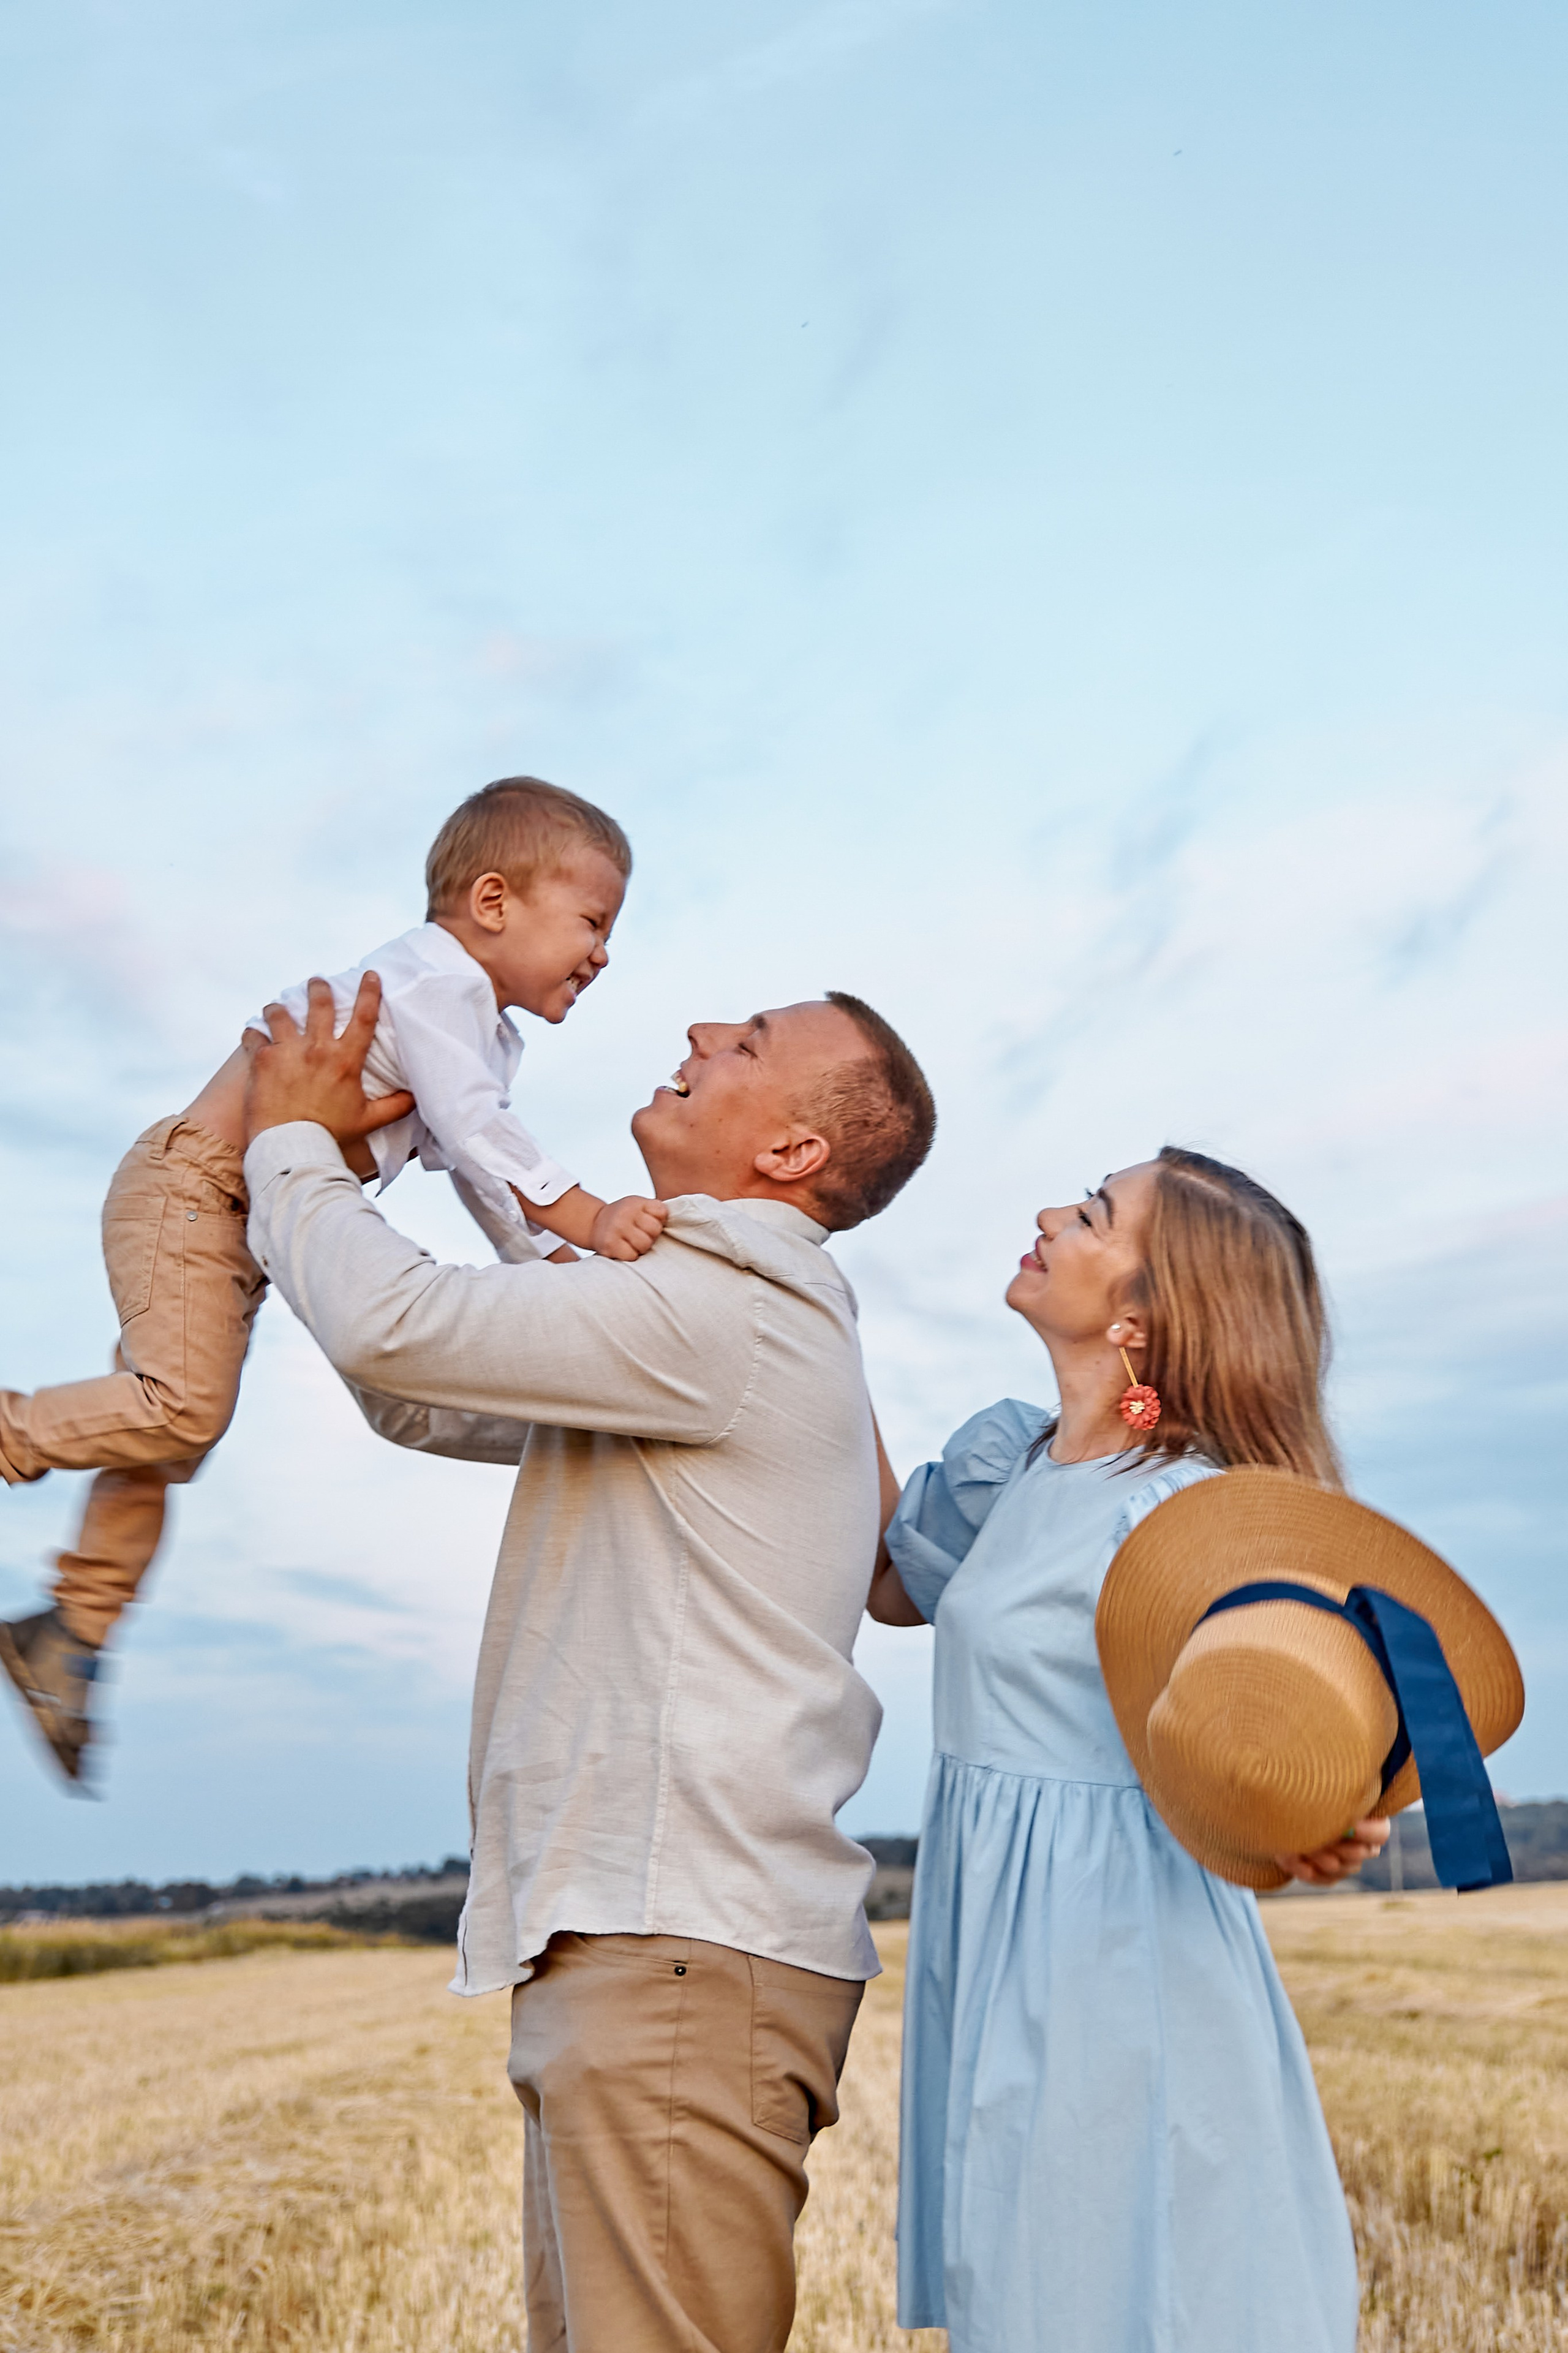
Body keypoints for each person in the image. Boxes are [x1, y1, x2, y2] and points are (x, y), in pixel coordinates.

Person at [239, 967, 935, 2353]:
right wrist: (414, 1156)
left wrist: (293, 1144)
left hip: (679, 1952)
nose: (698, 1032)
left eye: (745, 1042)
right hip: (653, 1951)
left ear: (792, 1150)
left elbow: (394, 1324)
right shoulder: (702, 1312)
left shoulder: (725, 1310)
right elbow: (417, 1389)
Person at [1, 777, 663, 1783]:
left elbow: (481, 1174)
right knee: (181, 1407)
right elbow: (482, 1134)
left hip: (241, 1219)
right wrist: (591, 1215)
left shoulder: (487, 1032)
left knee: (168, 1437)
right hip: (198, 1187)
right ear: (493, 902)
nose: (604, 952)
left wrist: (557, 1272)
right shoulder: (433, 982)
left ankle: (72, 1628)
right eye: (593, 921)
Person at [866, 1147, 1389, 2353]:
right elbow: (888, 1581)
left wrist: (1320, 1819)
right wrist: (812, 1330)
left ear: (1145, 1316)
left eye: (1095, 1215)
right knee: (1024, 2287)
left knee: (1108, 2291)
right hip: (997, 1929)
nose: (1051, 1211)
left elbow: (1288, 1707)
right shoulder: (1012, 1462)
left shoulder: (1184, 1508)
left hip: (1107, 1949)